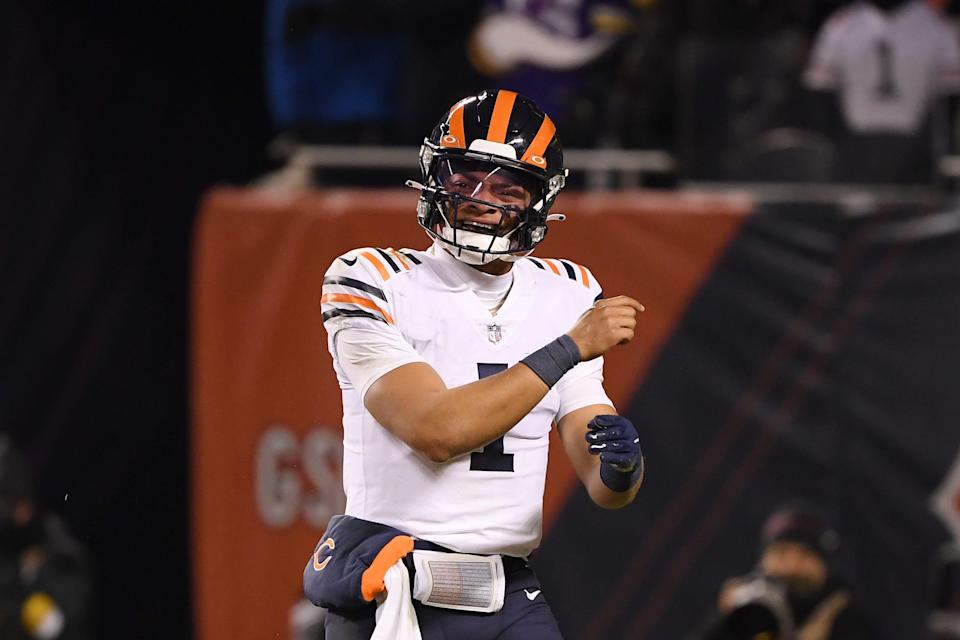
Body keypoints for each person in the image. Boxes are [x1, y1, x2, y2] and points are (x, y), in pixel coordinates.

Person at [303, 89, 646, 639]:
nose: (482, 200)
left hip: (507, 590)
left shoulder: (570, 293)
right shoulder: (371, 279)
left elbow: (602, 479)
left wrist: (621, 465)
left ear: (540, 200)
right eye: (464, 180)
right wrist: (568, 347)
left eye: (507, 188)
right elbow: (436, 430)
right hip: (394, 583)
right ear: (435, 179)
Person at [698, 501, 876, 640]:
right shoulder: (744, 609)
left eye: (805, 555)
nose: (792, 566)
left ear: (824, 567)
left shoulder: (847, 621)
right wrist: (723, 623)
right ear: (763, 560)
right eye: (782, 553)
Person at [0, 436, 92, 640]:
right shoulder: (7, 551)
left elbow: (63, 624)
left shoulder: (55, 545)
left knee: (41, 615)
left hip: (52, 618)